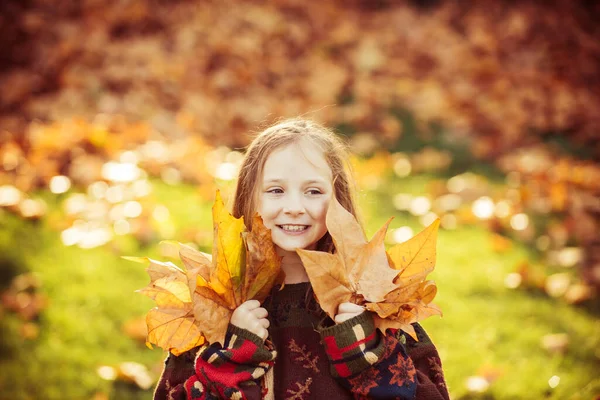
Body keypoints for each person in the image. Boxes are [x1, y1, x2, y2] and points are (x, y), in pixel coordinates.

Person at [154, 118, 449, 400]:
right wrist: (231, 360)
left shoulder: (375, 301)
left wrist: (369, 357)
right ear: (249, 197)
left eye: (313, 191)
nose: (294, 207)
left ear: (338, 200)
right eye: (276, 190)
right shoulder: (216, 303)